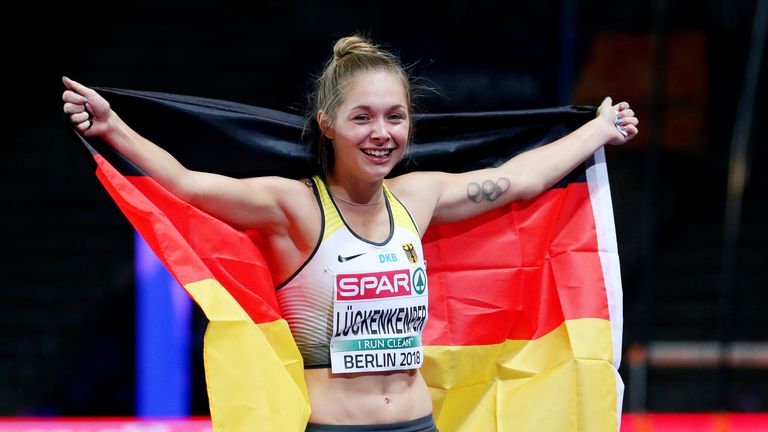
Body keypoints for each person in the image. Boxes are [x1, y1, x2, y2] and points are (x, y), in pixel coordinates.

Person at [62, 35, 638, 431]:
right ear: (327, 124)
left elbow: (516, 180)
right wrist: (115, 129)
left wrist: (597, 131)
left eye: (395, 116)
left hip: (417, 423)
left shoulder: (419, 196)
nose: (381, 133)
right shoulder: (295, 207)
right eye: (362, 117)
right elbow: (188, 186)